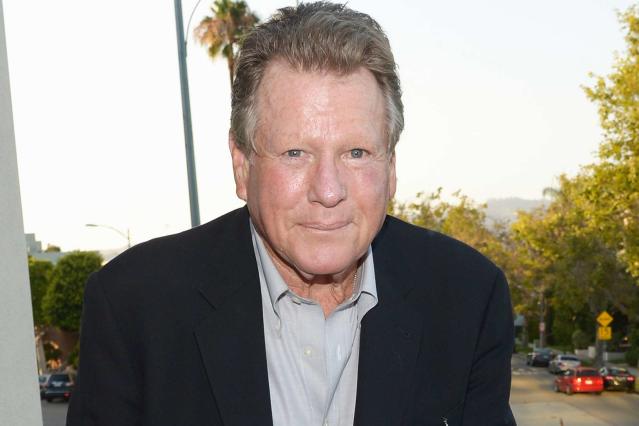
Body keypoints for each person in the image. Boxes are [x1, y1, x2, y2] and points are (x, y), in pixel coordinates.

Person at [67, 2, 516, 425]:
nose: (328, 190)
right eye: (295, 152)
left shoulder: (467, 297)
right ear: (242, 166)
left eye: (357, 153)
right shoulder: (134, 306)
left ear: (391, 168)